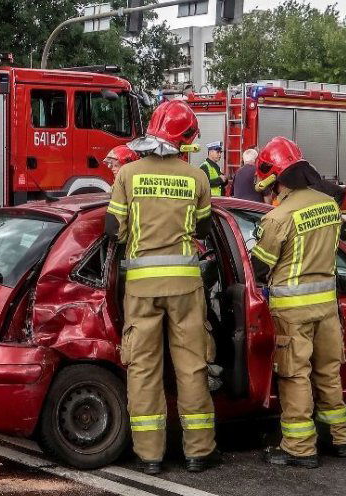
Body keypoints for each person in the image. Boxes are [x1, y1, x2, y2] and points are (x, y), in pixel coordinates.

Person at [106, 99, 217, 475]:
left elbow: (112, 230)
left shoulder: (128, 175)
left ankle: (150, 456)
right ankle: (198, 452)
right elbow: (204, 229)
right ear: (185, 138)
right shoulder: (197, 177)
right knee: (191, 367)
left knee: (143, 369)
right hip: (186, 288)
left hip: (141, 289)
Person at [249, 136, 346, 469]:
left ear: (278, 178)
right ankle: (339, 438)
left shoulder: (280, 217)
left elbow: (260, 265)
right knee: (329, 373)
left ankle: (300, 448)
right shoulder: (328, 204)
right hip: (327, 308)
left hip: (293, 312)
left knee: (295, 378)